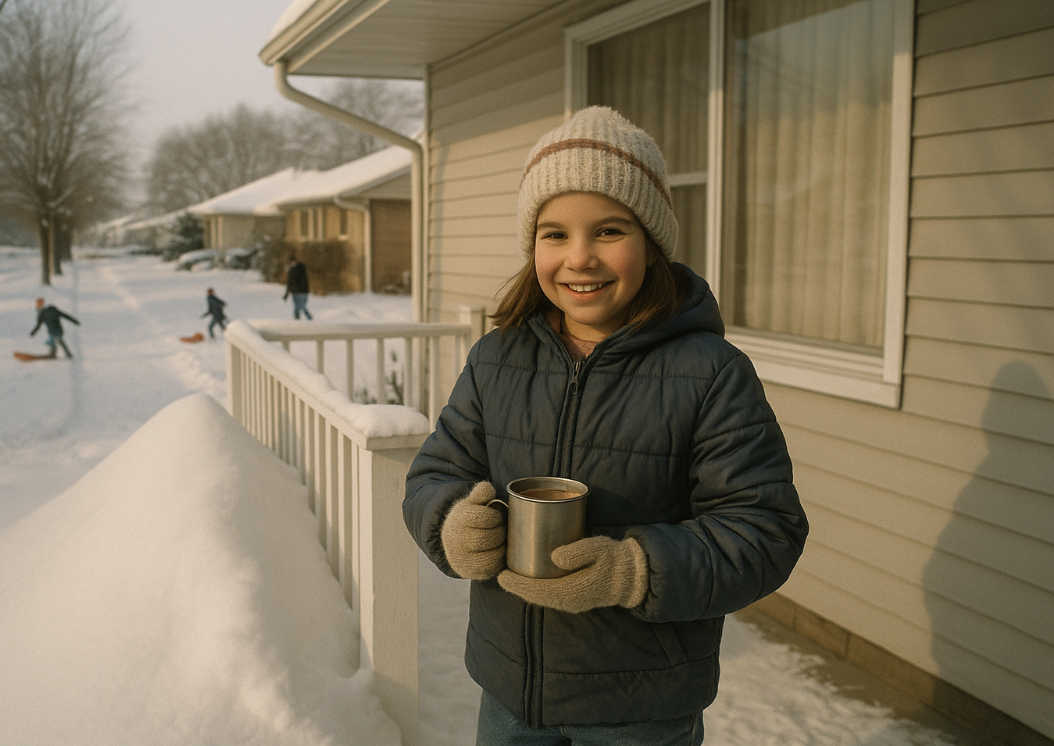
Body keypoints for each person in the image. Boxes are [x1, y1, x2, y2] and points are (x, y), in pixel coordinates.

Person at [403, 107, 809, 745]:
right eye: (554, 233)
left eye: (609, 230)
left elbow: (764, 530)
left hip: (641, 706)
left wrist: (634, 570)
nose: (580, 258)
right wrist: (452, 522)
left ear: (651, 243)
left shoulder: (711, 374)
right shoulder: (496, 358)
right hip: (512, 691)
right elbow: (436, 473)